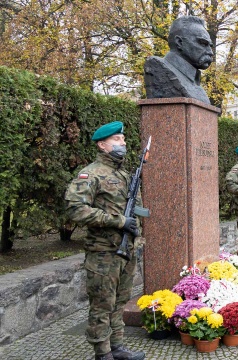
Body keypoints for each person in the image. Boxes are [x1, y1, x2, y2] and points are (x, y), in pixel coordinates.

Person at [65, 121, 145, 360]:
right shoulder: (91, 174)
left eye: (123, 138)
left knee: (120, 301)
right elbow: (74, 209)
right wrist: (118, 221)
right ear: (102, 145)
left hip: (126, 249)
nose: (123, 143)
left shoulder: (122, 173)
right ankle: (102, 353)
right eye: (117, 139)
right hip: (103, 252)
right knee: (102, 305)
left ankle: (117, 347)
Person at [144, 16, 213, 104]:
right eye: (203, 44)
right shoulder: (156, 67)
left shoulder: (197, 86)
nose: (210, 52)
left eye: (210, 46)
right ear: (179, 42)